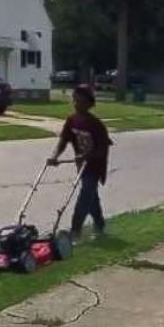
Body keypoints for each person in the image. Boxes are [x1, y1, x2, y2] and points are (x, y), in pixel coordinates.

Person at [47, 85, 113, 241]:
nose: (76, 103)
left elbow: (103, 150)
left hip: (95, 167)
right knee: (91, 197)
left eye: (80, 100)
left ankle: (75, 231)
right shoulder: (71, 120)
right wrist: (54, 156)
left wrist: (86, 156)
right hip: (81, 166)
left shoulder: (96, 125)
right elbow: (63, 140)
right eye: (74, 100)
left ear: (89, 103)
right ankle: (100, 225)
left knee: (85, 195)